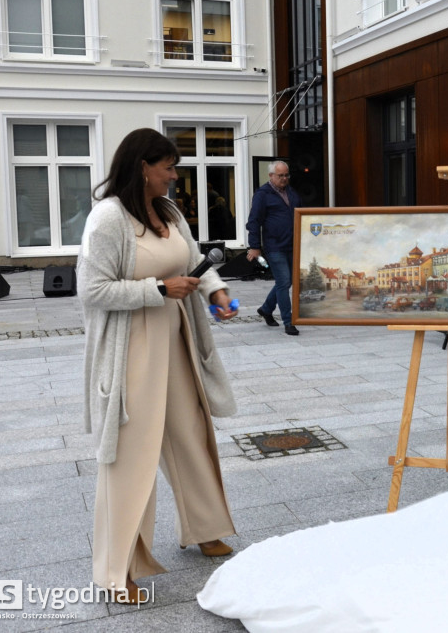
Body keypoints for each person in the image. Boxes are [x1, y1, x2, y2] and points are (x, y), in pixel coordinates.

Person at [77, 128, 239, 604]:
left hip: (177, 342)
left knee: (190, 434)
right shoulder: (107, 218)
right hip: (131, 350)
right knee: (131, 456)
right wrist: (157, 291)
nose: (174, 176)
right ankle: (116, 569)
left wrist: (217, 292)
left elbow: (192, 261)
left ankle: (205, 527)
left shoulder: (168, 211)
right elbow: (92, 290)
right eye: (168, 167)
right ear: (143, 167)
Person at [247, 160, 301, 335]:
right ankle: (288, 321)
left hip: (293, 244)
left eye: (287, 175)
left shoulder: (292, 192)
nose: (284, 178)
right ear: (271, 176)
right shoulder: (263, 194)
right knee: (284, 282)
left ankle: (266, 309)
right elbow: (254, 221)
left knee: (285, 282)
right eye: (281, 175)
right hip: (274, 246)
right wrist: (254, 246)